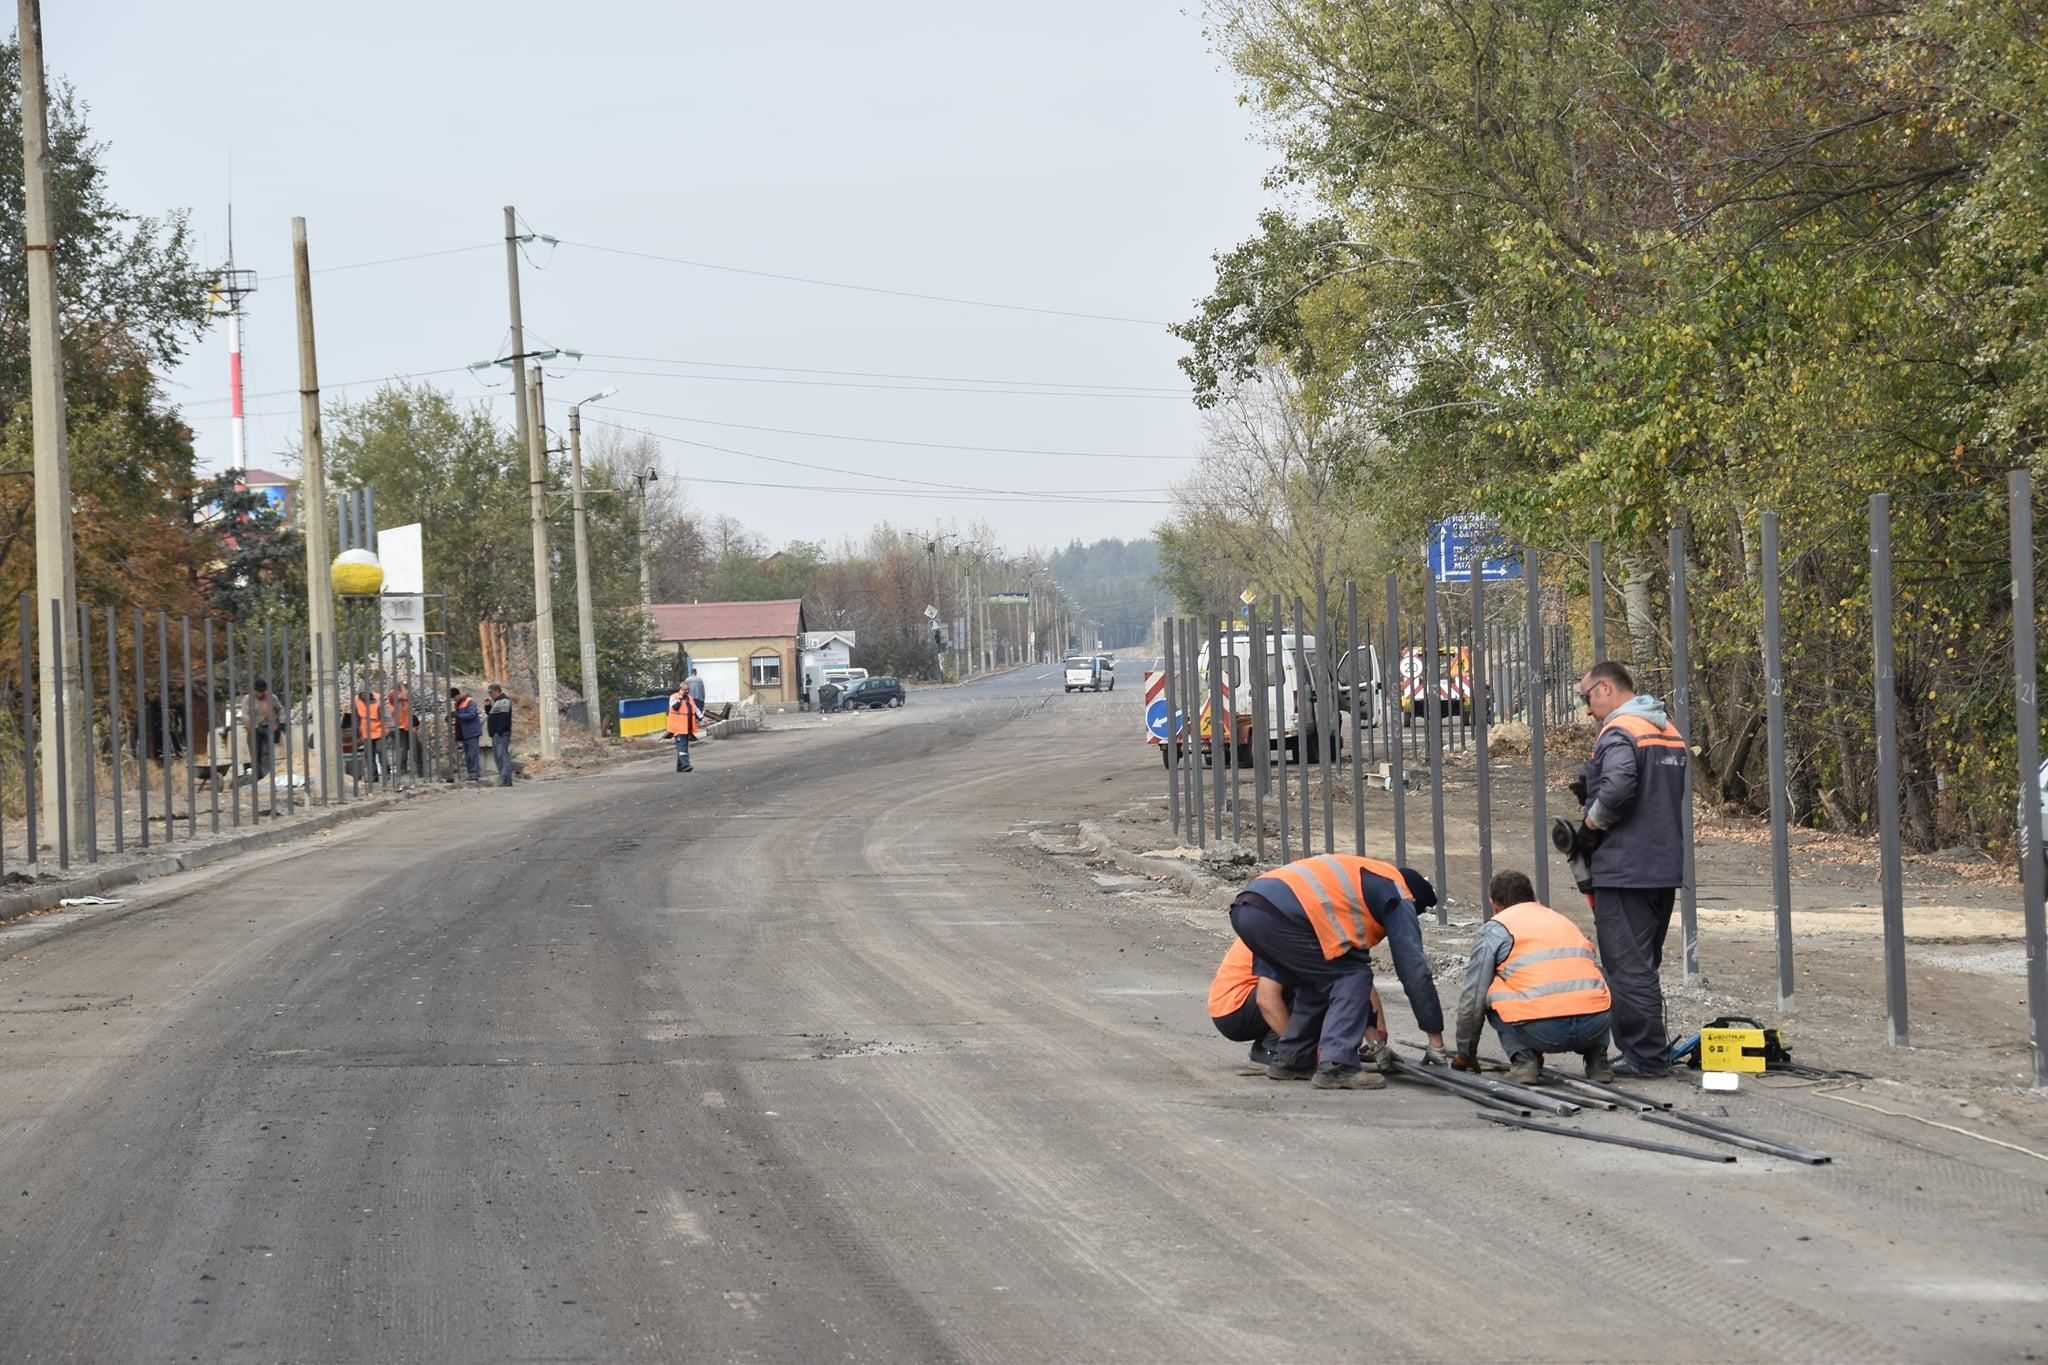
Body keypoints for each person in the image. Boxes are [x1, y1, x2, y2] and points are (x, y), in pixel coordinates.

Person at [1227, 853, 1448, 1090]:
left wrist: (1376, 1045)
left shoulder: (1356, 886)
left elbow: (1338, 981)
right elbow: (1414, 972)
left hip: (1248, 907)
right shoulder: (1399, 893)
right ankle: (1337, 1065)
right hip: (1280, 914)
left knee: (1313, 982)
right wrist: (1436, 1043)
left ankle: (1293, 1058)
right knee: (1353, 975)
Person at [1572, 660, 1689, 1078]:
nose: (1588, 709)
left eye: (1587, 697)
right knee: (1643, 963)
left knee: (1628, 967)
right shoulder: (1665, 729)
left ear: (1605, 688)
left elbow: (1620, 785)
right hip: (1662, 867)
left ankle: (1645, 1057)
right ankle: (1647, 1052)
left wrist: (1589, 825)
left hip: (1625, 869)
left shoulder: (1621, 730)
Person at [1451, 870, 1614, 1084]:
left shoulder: (1497, 928)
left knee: (1493, 986)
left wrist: (1466, 1051)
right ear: (1533, 898)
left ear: (1494, 905)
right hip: (1594, 1026)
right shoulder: (1562, 920)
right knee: (1589, 979)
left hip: (1542, 1031)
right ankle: (1598, 1062)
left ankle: (1524, 1062)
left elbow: (1473, 998)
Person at [1208, 937, 1386, 1075]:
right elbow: (1267, 999)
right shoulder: (1288, 929)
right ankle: (1275, 1049)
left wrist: (1378, 1039)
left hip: (1238, 1005)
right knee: (1318, 982)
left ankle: (1278, 1045)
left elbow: (1355, 977)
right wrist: (1298, 1050)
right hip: (1235, 1008)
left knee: (1332, 978)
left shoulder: (1319, 923)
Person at [243, 678, 280, 779]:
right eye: (258, 691)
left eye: (262, 692)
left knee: (267, 752)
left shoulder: (272, 698)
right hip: (254, 728)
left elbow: (280, 709)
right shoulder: (248, 699)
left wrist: (280, 722)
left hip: (268, 727)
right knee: (255, 753)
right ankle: (258, 776)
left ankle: (267, 776)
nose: (260, 694)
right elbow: (245, 715)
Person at [353, 689, 389, 782]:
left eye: (366, 694)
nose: (364, 696)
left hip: (379, 730)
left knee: (381, 752)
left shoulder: (378, 700)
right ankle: (373, 776)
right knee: (369, 755)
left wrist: (386, 729)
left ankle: (386, 774)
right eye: (362, 694)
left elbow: (384, 716)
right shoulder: (357, 701)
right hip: (366, 731)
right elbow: (356, 717)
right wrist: (357, 730)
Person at [667, 680, 703, 772]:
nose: (687, 691)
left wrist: (702, 718)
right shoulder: (674, 697)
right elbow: (675, 707)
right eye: (685, 690)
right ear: (681, 689)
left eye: (688, 689)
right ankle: (686, 765)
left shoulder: (690, 698)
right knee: (682, 746)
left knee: (683, 746)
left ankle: (680, 767)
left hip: (687, 727)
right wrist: (680, 698)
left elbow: (695, 709)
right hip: (678, 727)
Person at [450, 687, 482, 783]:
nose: (454, 700)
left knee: (473, 754)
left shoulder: (469, 701)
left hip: (472, 732)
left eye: (454, 698)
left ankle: (474, 773)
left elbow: (472, 715)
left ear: (458, 695)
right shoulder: (458, 704)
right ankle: (471, 774)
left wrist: (457, 715)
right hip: (464, 733)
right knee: (468, 755)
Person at [485, 683, 515, 787]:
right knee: (498, 756)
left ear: (497, 691)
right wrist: (488, 706)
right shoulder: (497, 702)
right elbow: (492, 716)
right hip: (496, 734)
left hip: (501, 734)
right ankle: (504, 778)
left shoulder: (504, 701)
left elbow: (504, 717)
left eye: (491, 692)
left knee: (502, 756)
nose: (490, 695)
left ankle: (506, 779)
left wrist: (499, 732)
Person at [388, 680, 417, 776]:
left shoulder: (403, 694)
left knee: (414, 746)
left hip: (407, 725)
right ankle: (401, 769)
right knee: (402, 748)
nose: (406, 688)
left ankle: (414, 767)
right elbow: (404, 696)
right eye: (405, 686)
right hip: (399, 725)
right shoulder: (392, 693)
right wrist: (401, 684)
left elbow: (407, 696)